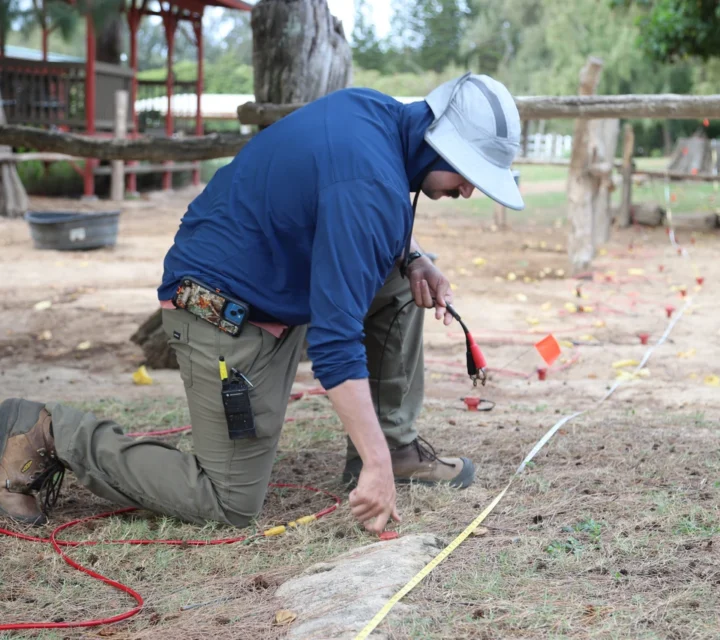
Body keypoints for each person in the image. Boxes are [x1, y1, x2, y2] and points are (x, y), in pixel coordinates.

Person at [0, 72, 524, 534]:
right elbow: (336, 340)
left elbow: (342, 211)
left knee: (403, 286)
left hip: (266, 285)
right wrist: (374, 468)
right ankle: (46, 429)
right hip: (218, 310)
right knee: (226, 502)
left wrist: (413, 259)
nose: (469, 191)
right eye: (469, 174)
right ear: (441, 143)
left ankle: (395, 444)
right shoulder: (369, 185)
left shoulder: (376, 115)